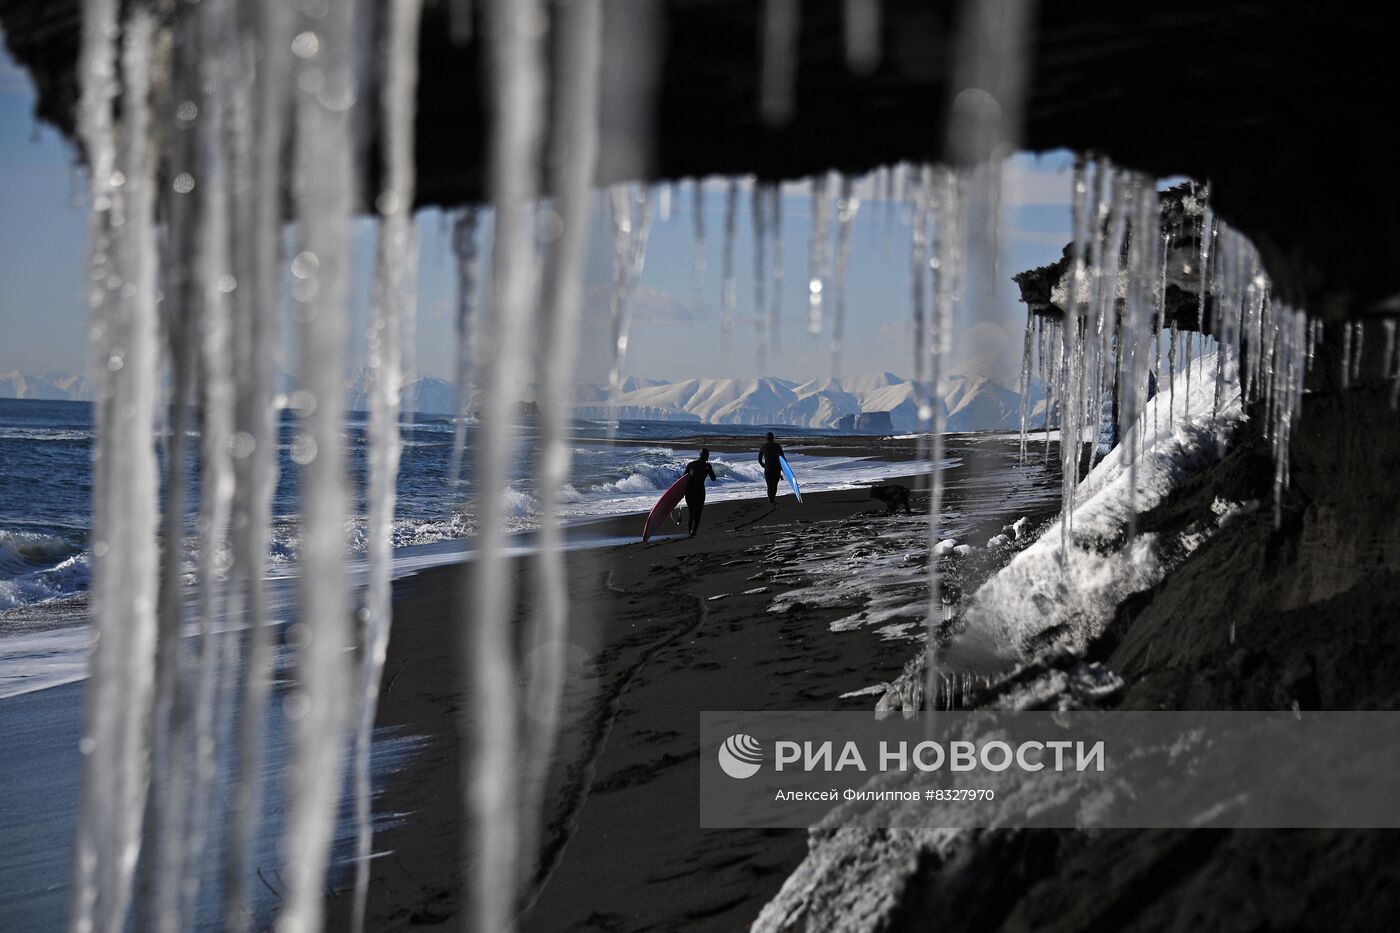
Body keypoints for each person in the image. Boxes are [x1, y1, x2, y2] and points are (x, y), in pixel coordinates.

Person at [683, 447, 718, 537]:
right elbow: (713, 478)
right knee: (697, 514)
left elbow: (683, 479)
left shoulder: (691, 464)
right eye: (707, 455)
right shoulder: (707, 466)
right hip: (699, 492)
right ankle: (692, 533)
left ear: (699, 455)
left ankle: (690, 532)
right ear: (705, 456)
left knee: (692, 513)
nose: (707, 457)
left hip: (689, 492)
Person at [757, 431, 785, 504]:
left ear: (766, 438)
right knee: (775, 485)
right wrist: (783, 470)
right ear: (773, 438)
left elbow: (759, 460)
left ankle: (770, 499)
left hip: (768, 469)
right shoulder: (778, 446)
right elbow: (783, 459)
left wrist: (764, 466)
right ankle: (772, 498)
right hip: (776, 468)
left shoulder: (763, 446)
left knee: (769, 485)